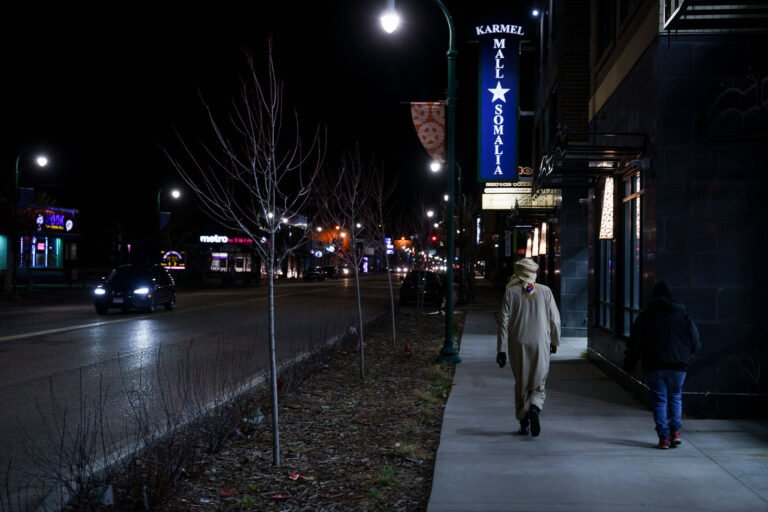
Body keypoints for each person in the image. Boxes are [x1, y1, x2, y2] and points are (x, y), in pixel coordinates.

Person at [624, 281, 700, 449]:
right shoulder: (682, 314)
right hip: (678, 365)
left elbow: (635, 341)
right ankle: (676, 433)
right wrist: (688, 355)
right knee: (675, 397)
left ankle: (663, 437)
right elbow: (695, 339)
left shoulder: (647, 316)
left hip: (654, 365)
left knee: (659, 400)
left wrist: (630, 362)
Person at [497, 258, 561, 437]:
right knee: (539, 381)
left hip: (518, 343)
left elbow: (503, 321)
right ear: (534, 272)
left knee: (522, 382)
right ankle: (535, 407)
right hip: (541, 342)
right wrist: (554, 341)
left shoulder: (510, 292)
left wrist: (501, 349)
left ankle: (523, 421)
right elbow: (555, 320)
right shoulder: (545, 291)